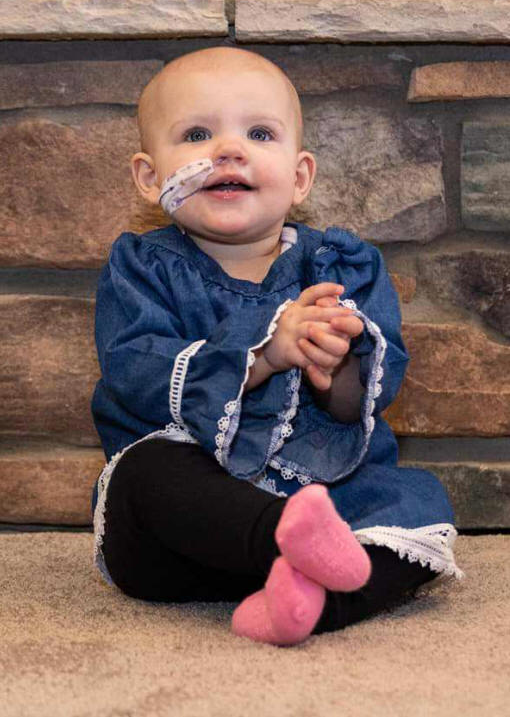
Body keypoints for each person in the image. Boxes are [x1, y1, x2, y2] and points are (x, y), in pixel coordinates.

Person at [90, 46, 463, 646]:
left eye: (259, 133)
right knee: (144, 474)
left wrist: (337, 365)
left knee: (415, 505)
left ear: (299, 177)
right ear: (150, 177)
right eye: (197, 134)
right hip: (189, 527)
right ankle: (285, 543)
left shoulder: (342, 268)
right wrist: (262, 355)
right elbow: (133, 369)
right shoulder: (141, 267)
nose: (229, 149)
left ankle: (312, 601)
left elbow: (363, 402)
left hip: (323, 490)